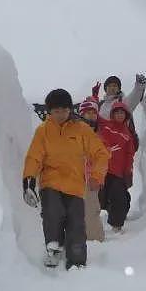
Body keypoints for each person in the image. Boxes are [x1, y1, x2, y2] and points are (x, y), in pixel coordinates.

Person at [22, 89, 110, 269]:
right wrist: (29, 180)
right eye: (56, 111)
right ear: (49, 111)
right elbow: (34, 157)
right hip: (50, 182)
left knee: (76, 222)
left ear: (70, 110)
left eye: (63, 110)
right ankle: (54, 248)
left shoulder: (82, 130)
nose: (60, 114)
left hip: (75, 185)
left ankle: (76, 259)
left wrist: (96, 175)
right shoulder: (43, 132)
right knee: (53, 212)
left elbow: (101, 153)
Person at [97, 100, 136, 233]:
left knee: (119, 197)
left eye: (122, 113)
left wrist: (128, 172)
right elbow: (93, 115)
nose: (120, 115)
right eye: (117, 112)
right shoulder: (105, 125)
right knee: (101, 197)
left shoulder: (127, 134)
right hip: (102, 170)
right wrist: (95, 96)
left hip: (118, 172)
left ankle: (116, 225)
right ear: (112, 114)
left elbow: (130, 154)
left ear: (126, 116)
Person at [76, 99, 106, 242]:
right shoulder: (75, 131)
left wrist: (98, 176)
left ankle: (95, 240)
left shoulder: (99, 131)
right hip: (75, 178)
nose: (92, 115)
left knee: (92, 209)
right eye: (89, 112)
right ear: (82, 113)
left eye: (94, 112)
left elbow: (103, 156)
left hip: (91, 179)